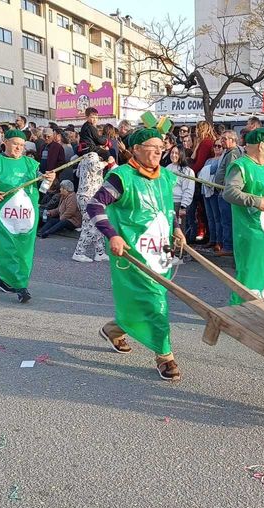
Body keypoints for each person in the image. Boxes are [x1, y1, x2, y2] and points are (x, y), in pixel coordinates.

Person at [87, 126, 186, 381]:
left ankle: (113, 329)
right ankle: (165, 356)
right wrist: (113, 234)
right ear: (136, 150)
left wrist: (176, 229)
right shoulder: (122, 177)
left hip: (159, 252)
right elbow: (95, 205)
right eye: (153, 148)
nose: (158, 152)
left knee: (146, 301)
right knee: (155, 302)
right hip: (132, 252)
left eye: (161, 148)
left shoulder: (165, 177)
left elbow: (168, 209)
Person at [0, 129, 56, 304]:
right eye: (16, 144)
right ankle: (21, 286)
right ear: (5, 142)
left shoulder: (31, 164)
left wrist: (49, 179)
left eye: (22, 145)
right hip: (2, 215)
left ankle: (3, 279)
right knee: (7, 248)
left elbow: (42, 188)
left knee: (24, 250)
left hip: (26, 215)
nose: (19, 148)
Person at [222, 128, 264, 304]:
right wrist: (255, 201)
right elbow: (229, 192)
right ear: (261, 146)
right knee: (251, 280)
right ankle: (241, 315)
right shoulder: (241, 166)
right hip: (253, 235)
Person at [73, 148, 112, 263]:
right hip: (88, 196)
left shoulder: (83, 159)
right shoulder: (92, 156)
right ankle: (79, 252)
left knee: (97, 224)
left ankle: (100, 252)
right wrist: (107, 162)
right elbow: (95, 167)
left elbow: (77, 173)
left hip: (86, 195)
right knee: (89, 225)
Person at [212, 130, 243, 257]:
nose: (222, 141)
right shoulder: (229, 152)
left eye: (225, 139)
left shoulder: (233, 153)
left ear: (232, 140)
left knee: (227, 220)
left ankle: (228, 246)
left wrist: (225, 188)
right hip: (224, 191)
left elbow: (230, 173)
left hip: (226, 192)